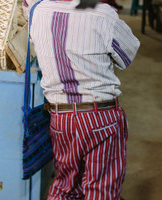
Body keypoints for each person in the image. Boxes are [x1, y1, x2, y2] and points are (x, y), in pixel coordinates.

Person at [26, 0, 140, 199]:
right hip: (100, 117)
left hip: (61, 118)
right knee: (100, 189)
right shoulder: (102, 14)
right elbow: (126, 56)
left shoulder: (37, 10)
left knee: (64, 186)